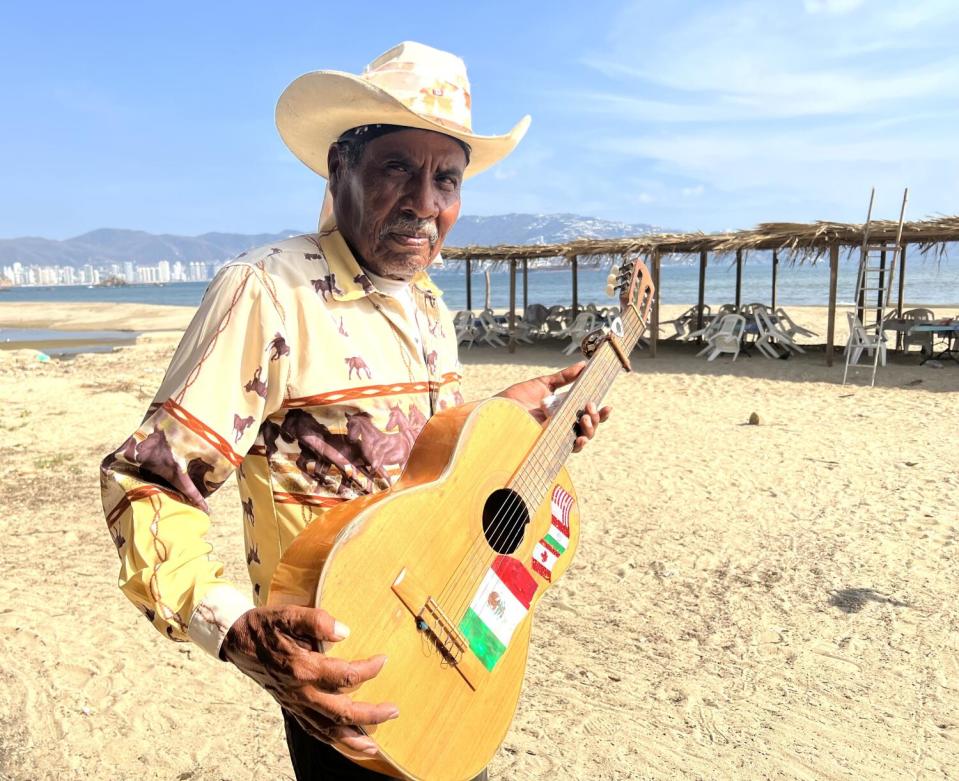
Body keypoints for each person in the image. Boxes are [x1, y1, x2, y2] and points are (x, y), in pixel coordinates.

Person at [100, 41, 610, 780]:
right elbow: (145, 481)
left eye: (447, 178)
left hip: (447, 641)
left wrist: (503, 422)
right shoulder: (269, 293)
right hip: (344, 673)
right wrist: (235, 628)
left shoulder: (429, 302)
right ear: (339, 166)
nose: (426, 204)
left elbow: (424, 469)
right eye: (399, 167)